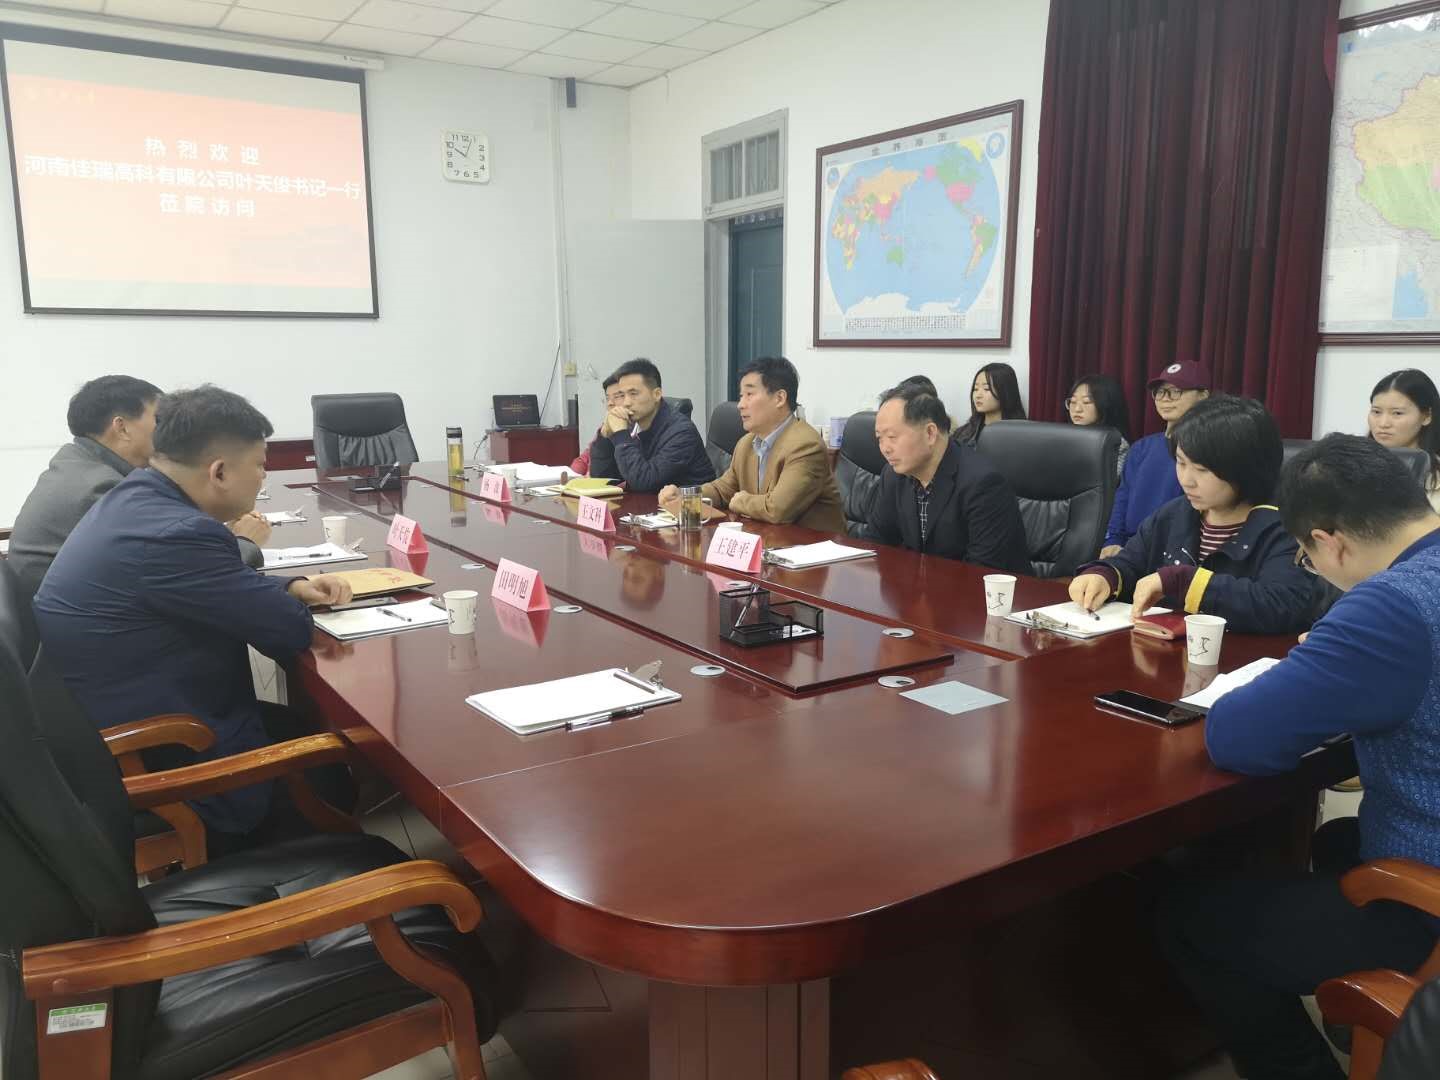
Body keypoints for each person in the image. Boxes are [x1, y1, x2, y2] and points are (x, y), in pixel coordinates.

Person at [1157, 434, 1440, 1080]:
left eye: (1308, 560)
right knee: (1336, 840)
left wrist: (1332, 651)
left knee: (1190, 917)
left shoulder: (1391, 606)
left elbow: (1238, 736)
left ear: (1329, 542)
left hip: (1425, 906)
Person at [34, 385, 355, 853]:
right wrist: (285, 602)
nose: (263, 478)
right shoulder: (178, 533)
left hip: (110, 726)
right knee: (328, 765)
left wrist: (290, 586)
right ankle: (303, 853)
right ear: (219, 472)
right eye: (260, 465)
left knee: (302, 728)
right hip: (167, 756)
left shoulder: (136, 497)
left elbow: (222, 586)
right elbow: (287, 630)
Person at [1069, 396, 1313, 634]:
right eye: (1181, 462)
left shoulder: (1286, 527)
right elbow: (1130, 563)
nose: (1186, 480)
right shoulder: (1174, 514)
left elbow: (1281, 604)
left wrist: (1185, 582)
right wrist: (1105, 575)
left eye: (1202, 469)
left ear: (1247, 470)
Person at [8, 376, 269, 595]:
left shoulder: (78, 463)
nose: (168, 428)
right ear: (122, 428)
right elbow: (189, 570)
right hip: (72, 630)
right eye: (159, 419)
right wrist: (245, 542)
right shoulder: (103, 487)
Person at [660, 356, 845, 532]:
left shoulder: (805, 445)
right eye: (741, 396)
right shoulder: (746, 443)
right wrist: (686, 496)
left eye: (749, 394)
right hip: (768, 541)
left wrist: (740, 501)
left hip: (814, 547)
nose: (740, 404)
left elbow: (777, 509)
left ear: (779, 398)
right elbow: (722, 490)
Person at [862, 383, 1029, 572]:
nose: (885, 448)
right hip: (921, 586)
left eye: (892, 437)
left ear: (930, 433)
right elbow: (876, 543)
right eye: (879, 438)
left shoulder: (983, 485)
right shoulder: (893, 475)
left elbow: (981, 571)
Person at [1100, 358, 1211, 556]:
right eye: (1160, 392)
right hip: (1129, 548)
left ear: (1203, 395)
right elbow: (1122, 498)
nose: (1165, 398)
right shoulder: (1142, 447)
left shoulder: (1211, 448)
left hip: (1177, 551)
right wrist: (1113, 540)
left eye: (1175, 391)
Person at [591, 358, 713, 493]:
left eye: (633, 394)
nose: (626, 403)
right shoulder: (631, 425)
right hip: (648, 504)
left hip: (690, 505)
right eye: (623, 395)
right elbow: (602, 479)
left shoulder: (682, 432)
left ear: (656, 394)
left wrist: (620, 435)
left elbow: (644, 482)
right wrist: (605, 437)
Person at [1368, 368, 1440, 512]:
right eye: (1376, 412)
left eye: (1397, 413)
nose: (1383, 423)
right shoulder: (1349, 467)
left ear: (1427, 416)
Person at [1066, 373, 1132, 478]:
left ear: (1105, 404)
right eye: (1073, 402)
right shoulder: (1064, 436)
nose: (1077, 409)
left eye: (1086, 402)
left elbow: (1106, 482)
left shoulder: (1116, 443)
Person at [954, 362, 1025, 445]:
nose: (978, 395)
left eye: (986, 389)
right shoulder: (963, 433)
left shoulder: (1022, 434)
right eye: (976, 389)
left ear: (1005, 391)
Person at [570, 373, 621, 477]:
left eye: (617, 397)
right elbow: (585, 457)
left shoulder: (634, 432)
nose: (610, 403)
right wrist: (574, 475)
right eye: (607, 398)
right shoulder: (605, 427)